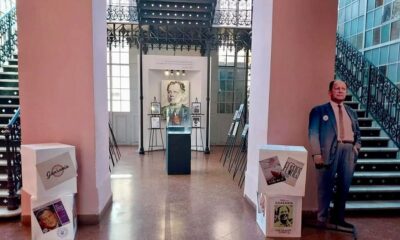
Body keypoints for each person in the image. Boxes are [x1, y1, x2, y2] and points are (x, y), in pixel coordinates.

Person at [308, 80, 361, 229]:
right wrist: (317, 154)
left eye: (343, 88)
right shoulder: (319, 111)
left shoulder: (352, 112)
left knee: (344, 186)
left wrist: (356, 147)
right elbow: (313, 133)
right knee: (325, 186)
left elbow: (358, 133)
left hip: (348, 151)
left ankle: (338, 218)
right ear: (330, 92)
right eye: (337, 88)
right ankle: (322, 219)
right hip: (328, 152)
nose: (340, 91)